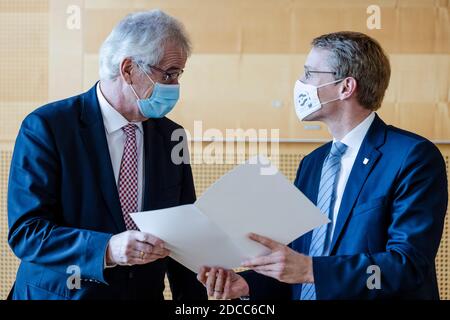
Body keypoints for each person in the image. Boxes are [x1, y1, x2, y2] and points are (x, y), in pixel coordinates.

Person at [197, 31, 448, 300]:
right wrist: (247, 286)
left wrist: (311, 269)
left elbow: (408, 266)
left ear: (345, 87)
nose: (300, 83)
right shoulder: (313, 164)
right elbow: (296, 261)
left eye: (309, 73)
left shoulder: (412, 156)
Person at [8, 9, 206, 300]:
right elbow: (27, 233)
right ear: (128, 69)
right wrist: (107, 249)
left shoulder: (171, 136)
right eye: (169, 74)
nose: (175, 86)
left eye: (179, 75)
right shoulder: (47, 127)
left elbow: (182, 234)